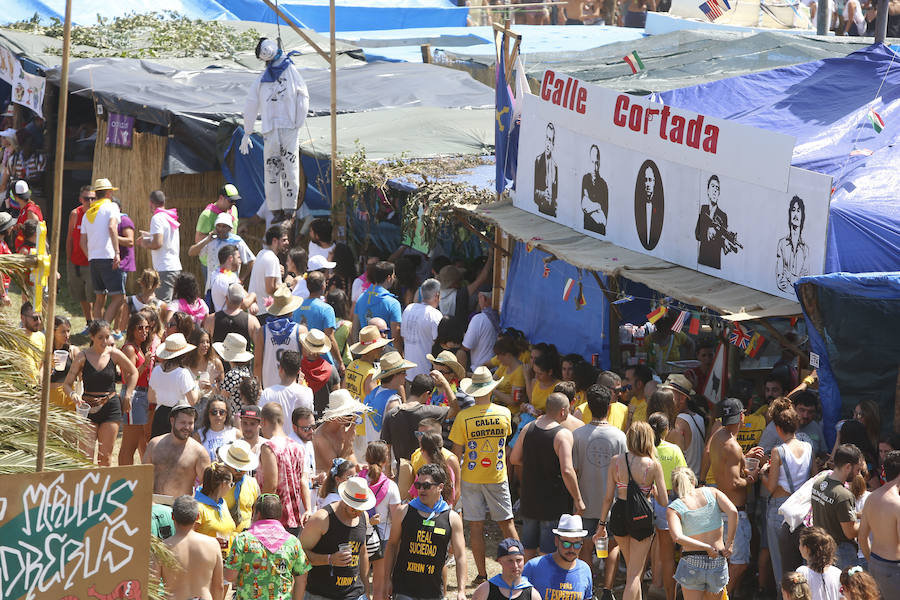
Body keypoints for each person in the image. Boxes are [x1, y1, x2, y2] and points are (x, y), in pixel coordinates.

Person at [449, 366, 517, 585]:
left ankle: (481, 575)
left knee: (476, 527)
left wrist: (455, 483)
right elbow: (504, 442)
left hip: (470, 477)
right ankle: (518, 569)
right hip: (497, 476)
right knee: (507, 524)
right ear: (491, 388)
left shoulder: (463, 416)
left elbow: (456, 454)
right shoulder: (504, 413)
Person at [596, 422, 668, 600]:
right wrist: (653, 492)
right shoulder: (653, 465)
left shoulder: (616, 461)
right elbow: (664, 501)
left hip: (619, 514)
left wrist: (601, 524)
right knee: (635, 574)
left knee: (632, 570)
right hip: (641, 517)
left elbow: (607, 498)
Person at [510, 392, 585, 559]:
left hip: (529, 498)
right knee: (547, 551)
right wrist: (578, 500)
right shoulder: (562, 434)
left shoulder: (529, 427)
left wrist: (535, 463)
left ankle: (528, 583)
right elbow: (567, 470)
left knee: (528, 548)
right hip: (553, 501)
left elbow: (514, 458)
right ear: (563, 411)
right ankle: (544, 585)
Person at [572, 384, 627, 597]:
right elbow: (624, 471)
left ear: (588, 407)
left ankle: (589, 589)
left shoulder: (577, 435)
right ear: (609, 408)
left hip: (584, 501)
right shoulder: (620, 437)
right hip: (612, 503)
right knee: (611, 546)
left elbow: (574, 469)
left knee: (586, 546)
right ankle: (607, 590)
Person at [384, 463, 467, 600]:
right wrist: (387, 579)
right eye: (418, 485)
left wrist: (461, 590)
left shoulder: (451, 518)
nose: (421, 489)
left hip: (433, 591)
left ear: (440, 487)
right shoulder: (403, 512)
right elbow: (392, 545)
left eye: (427, 486)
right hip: (403, 589)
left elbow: (460, 555)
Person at [708, 397, 765, 595]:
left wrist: (744, 458)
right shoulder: (732, 446)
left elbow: (726, 468)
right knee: (739, 563)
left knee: (726, 561)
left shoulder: (718, 437)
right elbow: (733, 482)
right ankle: (721, 597)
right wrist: (752, 479)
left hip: (722, 509)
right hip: (734, 512)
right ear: (742, 416)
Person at [63, 319, 138, 466]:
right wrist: (73, 395)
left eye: (107, 337)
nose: (105, 341)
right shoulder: (82, 356)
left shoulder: (114, 354)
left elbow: (133, 372)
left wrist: (128, 394)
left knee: (105, 457)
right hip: (87, 408)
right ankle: (86, 487)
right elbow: (67, 384)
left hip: (110, 407)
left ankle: (103, 488)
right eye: (100, 337)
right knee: (86, 457)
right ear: (92, 337)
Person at [764, 396, 813, 592]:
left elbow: (771, 486)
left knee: (781, 565)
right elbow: (813, 476)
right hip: (803, 508)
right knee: (803, 564)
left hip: (780, 508)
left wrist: (761, 474)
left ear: (778, 428)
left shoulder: (778, 451)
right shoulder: (808, 447)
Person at [666, 467, 738, 600]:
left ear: (675, 487)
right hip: (717, 559)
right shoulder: (712, 492)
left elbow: (677, 537)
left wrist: (705, 547)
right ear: (694, 480)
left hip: (691, 561)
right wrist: (730, 543)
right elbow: (733, 512)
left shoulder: (674, 507)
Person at [224, 493, 312, 600]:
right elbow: (301, 579)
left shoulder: (243, 539)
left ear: (258, 514)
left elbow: (230, 576)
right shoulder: (292, 542)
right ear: (279, 516)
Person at [300, 476, 373, 600]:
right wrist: (329, 559)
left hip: (355, 594)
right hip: (322, 594)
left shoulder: (363, 517)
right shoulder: (321, 519)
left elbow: (363, 552)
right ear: (344, 500)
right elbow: (299, 554)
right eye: (354, 507)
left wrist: (366, 589)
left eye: (362, 508)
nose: (358, 512)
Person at [257, 402, 313, 535]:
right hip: (295, 519)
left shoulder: (269, 447)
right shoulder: (299, 447)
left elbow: (271, 485)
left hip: (273, 520)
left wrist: (258, 515)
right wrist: (308, 509)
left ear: (263, 421)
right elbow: (303, 481)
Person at [161, 495, 224, 600]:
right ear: (198, 517)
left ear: (172, 517)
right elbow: (219, 586)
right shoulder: (213, 544)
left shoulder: (163, 547)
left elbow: (153, 586)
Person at [811, 443, 863, 569]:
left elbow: (832, 511)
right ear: (848, 467)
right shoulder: (843, 495)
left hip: (821, 548)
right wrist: (870, 521)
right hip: (840, 553)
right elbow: (850, 532)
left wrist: (860, 514)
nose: (858, 474)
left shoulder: (819, 483)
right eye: (857, 469)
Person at [81, 178, 126, 323]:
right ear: (108, 193)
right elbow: (112, 227)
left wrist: (91, 256)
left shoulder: (87, 213)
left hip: (94, 259)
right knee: (119, 297)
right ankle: (104, 330)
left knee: (100, 298)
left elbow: (82, 242)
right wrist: (117, 253)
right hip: (108, 257)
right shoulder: (111, 207)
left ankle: (96, 332)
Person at [144, 399, 211, 497]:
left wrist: (191, 503)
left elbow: (207, 484)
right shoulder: (154, 444)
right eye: (183, 422)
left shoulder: (199, 452)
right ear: (172, 421)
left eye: (190, 423)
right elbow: (143, 476)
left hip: (181, 508)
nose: (187, 427)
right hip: (154, 505)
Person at [359, 442, 401, 597]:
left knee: (360, 577)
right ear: (386, 460)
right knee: (380, 581)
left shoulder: (358, 480)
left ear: (367, 457)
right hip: (383, 536)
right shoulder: (391, 486)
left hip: (359, 532)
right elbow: (396, 518)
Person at [381, 373, 449, 468]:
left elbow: (386, 448)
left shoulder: (391, 414)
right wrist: (445, 383)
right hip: (425, 472)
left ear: (411, 388)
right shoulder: (430, 411)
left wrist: (388, 473)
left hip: (402, 471)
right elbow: (455, 409)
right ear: (427, 394)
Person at [522, 514, 593, 600]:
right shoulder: (534, 567)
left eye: (577, 544)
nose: (572, 549)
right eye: (566, 544)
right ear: (556, 541)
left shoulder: (585, 570)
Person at [859, 450, 900, 597]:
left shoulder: (871, 498)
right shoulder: (897, 504)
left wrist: (871, 561)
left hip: (875, 563)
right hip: (894, 570)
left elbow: (862, 537)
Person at [189, 212, 255, 302]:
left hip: (230, 286)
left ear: (230, 228)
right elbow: (191, 252)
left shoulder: (237, 242)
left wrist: (242, 278)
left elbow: (252, 261)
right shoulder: (211, 240)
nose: (221, 229)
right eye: (218, 226)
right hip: (212, 286)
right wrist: (206, 240)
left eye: (224, 226)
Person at [118, 312, 154, 465]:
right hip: (134, 395)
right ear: (132, 329)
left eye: (147, 328)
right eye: (140, 328)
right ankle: (124, 479)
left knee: (141, 440)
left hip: (142, 395)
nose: (144, 331)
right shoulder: (130, 349)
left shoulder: (139, 348)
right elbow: (128, 377)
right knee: (129, 445)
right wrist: (145, 364)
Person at [148, 332, 200, 438]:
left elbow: (151, 398)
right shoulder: (182, 373)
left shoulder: (157, 370)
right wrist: (197, 386)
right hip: (178, 416)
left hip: (160, 414)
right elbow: (192, 400)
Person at [254, 286, 305, 388]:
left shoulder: (263, 331)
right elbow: (305, 361)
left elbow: (257, 364)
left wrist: (258, 388)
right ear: (291, 309)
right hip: (294, 387)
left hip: (270, 388)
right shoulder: (301, 330)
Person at [136, 189, 181, 303]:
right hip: (174, 267)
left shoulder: (157, 218)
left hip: (164, 268)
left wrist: (145, 243)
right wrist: (150, 235)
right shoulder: (169, 217)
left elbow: (158, 243)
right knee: (172, 305)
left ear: (151, 203)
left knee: (163, 305)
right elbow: (165, 238)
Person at [293, 271, 344, 371]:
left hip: (302, 363)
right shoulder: (326, 309)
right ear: (323, 286)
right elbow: (330, 338)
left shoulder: (297, 307)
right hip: (322, 365)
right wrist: (340, 362)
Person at [259, 350, 314, 437]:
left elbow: (261, 424)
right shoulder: (307, 392)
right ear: (299, 371)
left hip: (274, 446)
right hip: (299, 446)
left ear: (280, 369)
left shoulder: (267, 393)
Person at [194, 184, 241, 279]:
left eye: (235, 201)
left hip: (230, 260)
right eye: (231, 201)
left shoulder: (233, 210)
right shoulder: (207, 215)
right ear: (221, 198)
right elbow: (198, 240)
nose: (233, 204)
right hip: (212, 263)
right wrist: (216, 235)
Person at [353, 261, 402, 349]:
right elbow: (396, 337)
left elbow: (355, 329)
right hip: (386, 355)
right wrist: (400, 358)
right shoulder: (393, 303)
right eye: (394, 276)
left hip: (366, 352)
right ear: (389, 278)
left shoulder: (361, 298)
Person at [695, 174, 740, 270]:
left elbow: (722, 239)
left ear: (719, 193)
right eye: (713, 186)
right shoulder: (703, 209)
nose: (715, 190)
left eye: (717, 188)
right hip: (702, 261)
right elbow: (697, 235)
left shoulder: (723, 216)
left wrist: (724, 242)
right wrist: (707, 231)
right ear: (707, 191)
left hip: (714, 263)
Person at [471, 539, 540, 600]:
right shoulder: (485, 590)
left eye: (519, 560)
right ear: (500, 561)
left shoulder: (532, 595)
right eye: (510, 561)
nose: (515, 566)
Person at [665, 373, 706, 477]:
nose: (664, 397)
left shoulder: (679, 422)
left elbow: (669, 457)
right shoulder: (699, 417)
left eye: (668, 395)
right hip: (693, 480)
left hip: (683, 483)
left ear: (682, 399)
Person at [66, 185, 95, 325]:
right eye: (86, 198)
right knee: (81, 295)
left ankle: (96, 324)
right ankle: (89, 322)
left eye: (92, 198)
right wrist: (68, 260)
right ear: (80, 199)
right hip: (76, 261)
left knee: (93, 295)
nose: (89, 201)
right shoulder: (75, 214)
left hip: (91, 262)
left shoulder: (97, 215)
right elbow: (69, 238)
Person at [194, 462, 238, 555]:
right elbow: (187, 537)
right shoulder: (198, 507)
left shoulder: (223, 504)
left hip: (225, 561)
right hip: (205, 561)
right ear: (224, 484)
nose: (231, 488)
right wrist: (211, 542)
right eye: (231, 484)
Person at [316, 390, 366, 471]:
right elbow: (336, 471)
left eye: (353, 412)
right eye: (348, 414)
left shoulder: (343, 427)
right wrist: (347, 444)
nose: (352, 418)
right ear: (335, 416)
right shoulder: (320, 437)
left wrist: (358, 467)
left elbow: (351, 456)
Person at [218, 439, 261, 532]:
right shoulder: (215, 480)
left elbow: (256, 512)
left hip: (244, 540)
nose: (239, 472)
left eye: (243, 469)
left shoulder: (252, 483)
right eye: (236, 468)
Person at [248, 224, 288, 321]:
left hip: (258, 311)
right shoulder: (271, 258)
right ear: (274, 241)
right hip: (266, 313)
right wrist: (286, 285)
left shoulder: (261, 253)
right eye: (284, 240)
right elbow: (270, 289)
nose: (287, 242)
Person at [204, 283, 260, 351]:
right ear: (242, 300)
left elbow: (205, 344)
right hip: (242, 360)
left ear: (226, 298)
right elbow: (259, 347)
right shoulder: (252, 321)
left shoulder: (211, 319)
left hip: (219, 360)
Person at [345, 324, 390, 404]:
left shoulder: (351, 365)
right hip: (363, 415)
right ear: (372, 349)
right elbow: (374, 401)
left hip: (351, 412)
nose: (383, 348)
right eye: (379, 346)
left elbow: (343, 389)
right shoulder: (371, 374)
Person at [795, 527, 841, 600]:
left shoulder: (802, 572)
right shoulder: (837, 572)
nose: (799, 547)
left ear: (807, 549)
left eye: (800, 544)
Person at [776, 195, 809, 292]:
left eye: (799, 211)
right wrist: (795, 281)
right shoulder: (782, 244)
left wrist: (789, 276)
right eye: (793, 210)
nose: (795, 214)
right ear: (789, 213)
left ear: (802, 215)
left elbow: (804, 283)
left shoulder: (805, 249)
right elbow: (780, 281)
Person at [461, 291, 500, 371]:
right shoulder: (500, 317)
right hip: (496, 370)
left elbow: (466, 346)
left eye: (479, 298)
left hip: (480, 372)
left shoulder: (479, 319)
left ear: (483, 298)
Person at [216, 334, 255, 413]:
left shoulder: (232, 375)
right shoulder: (245, 370)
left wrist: (213, 384)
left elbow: (221, 399)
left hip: (234, 417)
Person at [209, 244, 253, 313]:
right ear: (230, 258)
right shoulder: (223, 280)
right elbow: (242, 304)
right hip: (227, 321)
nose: (240, 261)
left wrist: (252, 303)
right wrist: (253, 296)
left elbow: (243, 292)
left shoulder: (228, 275)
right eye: (238, 257)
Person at [194, 395, 239, 461]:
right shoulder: (198, 436)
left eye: (222, 412)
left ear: (227, 414)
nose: (218, 415)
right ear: (208, 414)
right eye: (214, 412)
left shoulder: (236, 434)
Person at [634, 161, 664, 250]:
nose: (647, 184)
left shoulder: (659, 209)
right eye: (645, 180)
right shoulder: (639, 207)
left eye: (650, 180)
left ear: (654, 182)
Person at [581, 144, 608, 234]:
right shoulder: (585, 179)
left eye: (596, 163)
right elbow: (584, 206)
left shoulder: (603, 184)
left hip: (600, 232)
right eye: (593, 162)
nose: (595, 167)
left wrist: (592, 206)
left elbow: (603, 220)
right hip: (587, 228)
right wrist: (598, 206)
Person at [533, 122, 558, 217]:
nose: (548, 144)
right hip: (541, 212)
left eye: (551, 140)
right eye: (547, 138)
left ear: (553, 143)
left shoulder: (555, 166)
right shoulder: (538, 160)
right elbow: (534, 193)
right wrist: (543, 194)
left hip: (553, 214)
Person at [19, 301, 45, 383]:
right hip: (18, 388)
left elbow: (43, 363)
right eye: (35, 318)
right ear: (22, 318)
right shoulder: (14, 338)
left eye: (40, 318)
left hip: (35, 387)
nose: (39, 322)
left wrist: (41, 379)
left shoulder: (41, 337)